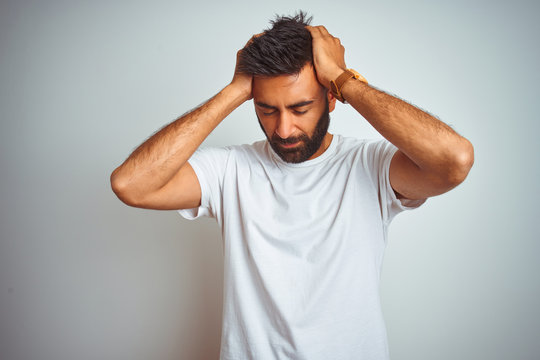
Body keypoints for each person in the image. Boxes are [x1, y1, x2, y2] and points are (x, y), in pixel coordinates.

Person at [111, 12, 474, 360]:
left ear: (331, 97)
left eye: (300, 109)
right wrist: (236, 90)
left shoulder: (371, 166)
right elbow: (131, 185)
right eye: (268, 110)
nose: (283, 130)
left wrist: (344, 78)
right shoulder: (231, 170)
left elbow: (454, 161)